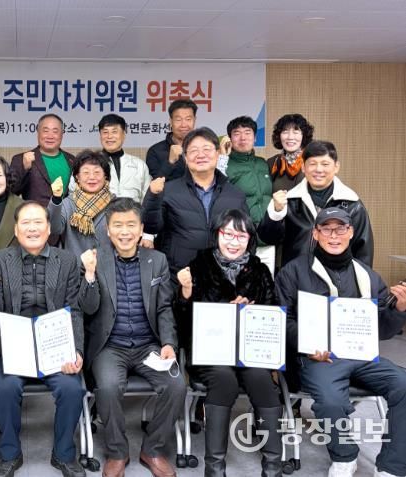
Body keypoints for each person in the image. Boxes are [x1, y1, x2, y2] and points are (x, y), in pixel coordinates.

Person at [275, 208, 406, 477]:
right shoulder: (293, 272)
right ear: (315, 233)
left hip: (362, 356)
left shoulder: (368, 275)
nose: (333, 235)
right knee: (331, 400)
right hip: (319, 357)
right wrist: (308, 343)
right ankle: (345, 456)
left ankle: (392, 466)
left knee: (403, 384)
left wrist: (399, 310)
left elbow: (383, 330)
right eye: (326, 229)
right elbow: (282, 319)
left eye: (340, 229)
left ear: (351, 232)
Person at [78, 198, 186, 477]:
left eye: (130, 225)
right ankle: (117, 452)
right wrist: (89, 274)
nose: (124, 232)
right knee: (108, 387)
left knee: (176, 385)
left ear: (140, 229)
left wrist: (168, 343)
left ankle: (153, 449)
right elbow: (87, 308)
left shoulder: (157, 260)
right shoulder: (95, 259)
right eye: (118, 225)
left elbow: (164, 307)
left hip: (148, 344)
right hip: (110, 346)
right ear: (107, 230)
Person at [174, 209, 283, 477]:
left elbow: (273, 315)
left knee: (261, 379)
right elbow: (182, 320)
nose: (234, 242)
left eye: (241, 236)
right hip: (211, 353)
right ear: (217, 235)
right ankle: (215, 467)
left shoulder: (259, 270)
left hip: (250, 350)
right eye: (228, 234)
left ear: (250, 240)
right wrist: (186, 293)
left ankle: (273, 466)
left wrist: (251, 311)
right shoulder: (198, 266)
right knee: (224, 380)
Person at [0, 201, 86, 477]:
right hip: (13, 346)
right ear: (16, 229)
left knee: (71, 389)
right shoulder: (0, 260)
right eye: (25, 223)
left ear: (49, 228)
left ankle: (64, 454)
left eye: (38, 222)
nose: (32, 228)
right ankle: (9, 454)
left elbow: (74, 310)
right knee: (5, 388)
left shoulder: (67, 261)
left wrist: (76, 350)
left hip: (54, 344)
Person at [142, 127, 249, 275]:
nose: (200, 155)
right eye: (193, 150)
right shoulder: (169, 191)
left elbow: (247, 236)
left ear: (218, 153)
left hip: (223, 277)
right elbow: (151, 226)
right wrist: (153, 197)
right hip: (178, 274)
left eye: (206, 149)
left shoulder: (235, 195)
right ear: (185, 157)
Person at [257, 140, 374, 268]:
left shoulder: (352, 204)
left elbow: (363, 252)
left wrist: (358, 279)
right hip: (296, 276)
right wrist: (276, 213)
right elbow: (268, 238)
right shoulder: (290, 200)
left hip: (338, 277)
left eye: (325, 164)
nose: (318, 169)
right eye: (312, 164)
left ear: (336, 167)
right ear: (303, 167)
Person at [224, 116, 275, 272]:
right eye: (237, 133)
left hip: (267, 237)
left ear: (255, 137)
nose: (242, 138)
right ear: (230, 139)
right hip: (240, 238)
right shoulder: (225, 165)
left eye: (247, 132)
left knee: (267, 282)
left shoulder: (263, 163)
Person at [48, 150, 113, 260]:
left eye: (97, 172)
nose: (91, 177)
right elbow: (54, 229)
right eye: (86, 172)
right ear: (77, 177)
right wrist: (56, 199)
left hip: (108, 266)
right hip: (75, 267)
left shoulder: (116, 204)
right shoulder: (68, 203)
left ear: (105, 176)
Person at [9, 113, 76, 206]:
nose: (50, 136)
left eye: (55, 131)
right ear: (38, 132)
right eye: (45, 131)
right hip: (35, 214)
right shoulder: (21, 159)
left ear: (62, 134)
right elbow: (11, 192)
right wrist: (24, 169)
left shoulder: (72, 160)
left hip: (66, 215)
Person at [145, 99, 197, 182]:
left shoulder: (204, 149)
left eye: (188, 119)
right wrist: (170, 162)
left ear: (194, 120)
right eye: (178, 120)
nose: (183, 125)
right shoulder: (155, 151)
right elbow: (155, 184)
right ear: (171, 121)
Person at [267, 114, 315, 193]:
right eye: (285, 132)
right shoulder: (272, 163)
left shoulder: (313, 161)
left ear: (304, 135)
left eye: (296, 132)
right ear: (279, 136)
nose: (290, 137)